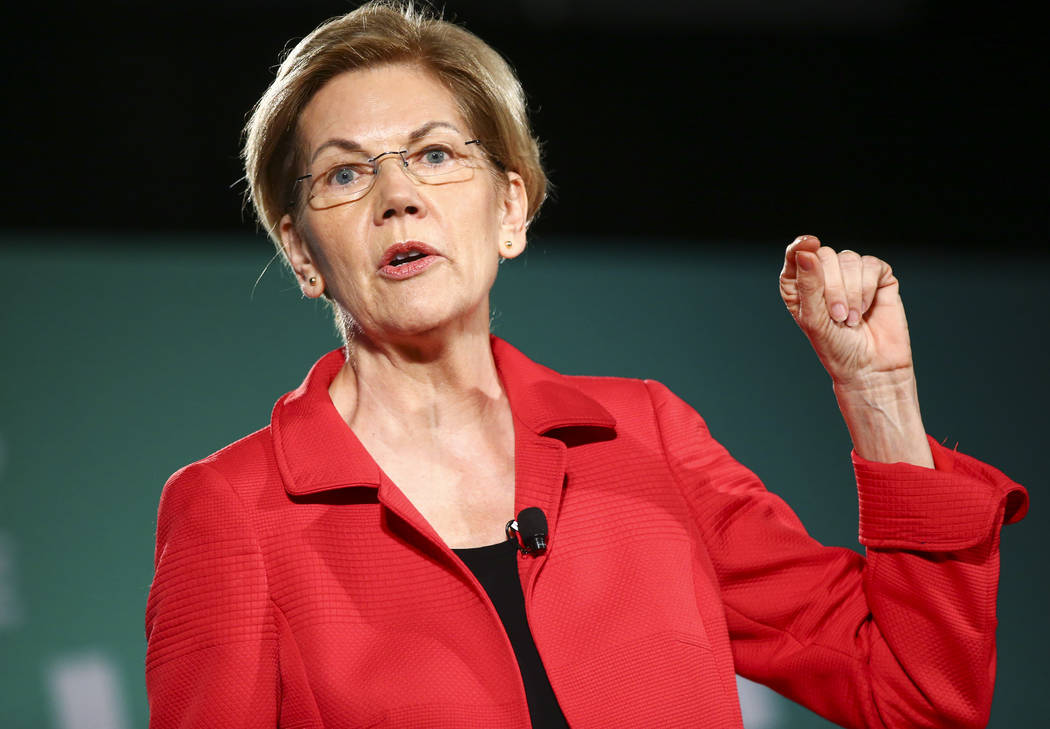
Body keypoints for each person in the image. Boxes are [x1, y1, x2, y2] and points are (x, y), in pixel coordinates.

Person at [143, 2, 1028, 727]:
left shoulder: (646, 437)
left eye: (438, 154)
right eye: (343, 176)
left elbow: (916, 696)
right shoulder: (233, 513)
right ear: (301, 254)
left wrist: (880, 399)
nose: (398, 194)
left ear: (511, 209)